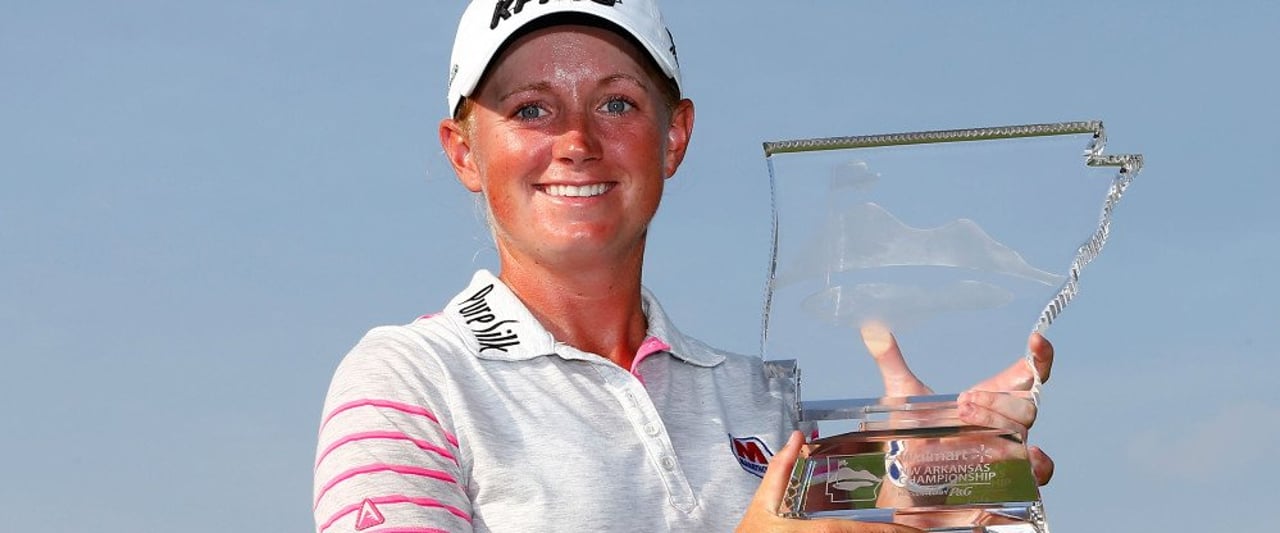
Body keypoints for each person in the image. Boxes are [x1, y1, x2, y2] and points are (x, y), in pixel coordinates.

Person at [313, 1, 1054, 531]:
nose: (576, 140)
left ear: (674, 138)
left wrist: (939, 478)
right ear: (464, 151)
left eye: (617, 103)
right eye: (532, 109)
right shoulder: (407, 379)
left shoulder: (769, 407)